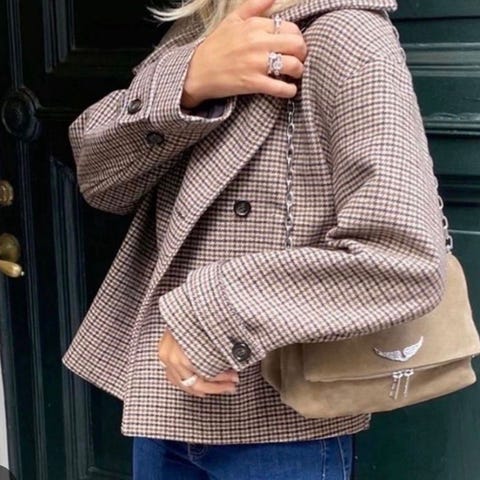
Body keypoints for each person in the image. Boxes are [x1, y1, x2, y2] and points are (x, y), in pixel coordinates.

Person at [61, 0, 447, 478]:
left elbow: (405, 258)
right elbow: (100, 182)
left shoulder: (348, 36)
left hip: (280, 426)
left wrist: (207, 316)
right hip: (165, 404)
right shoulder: (197, 31)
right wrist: (188, 81)